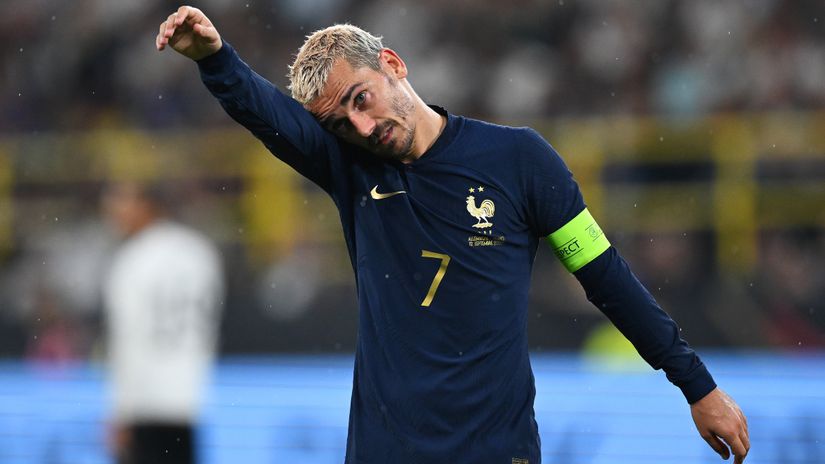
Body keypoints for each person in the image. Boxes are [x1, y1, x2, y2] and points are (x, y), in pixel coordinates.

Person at [156, 6, 750, 463]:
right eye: (341, 123)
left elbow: (606, 277)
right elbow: (265, 111)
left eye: (362, 99)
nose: (362, 126)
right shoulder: (351, 167)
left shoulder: (521, 160)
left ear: (392, 64)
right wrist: (215, 59)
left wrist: (697, 387)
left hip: (498, 451)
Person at [102, 179, 224, 464]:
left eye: (121, 205)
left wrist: (120, 410)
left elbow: (128, 338)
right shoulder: (199, 251)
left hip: (144, 403)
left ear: (146, 206)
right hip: (188, 396)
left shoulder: (132, 259)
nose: (114, 215)